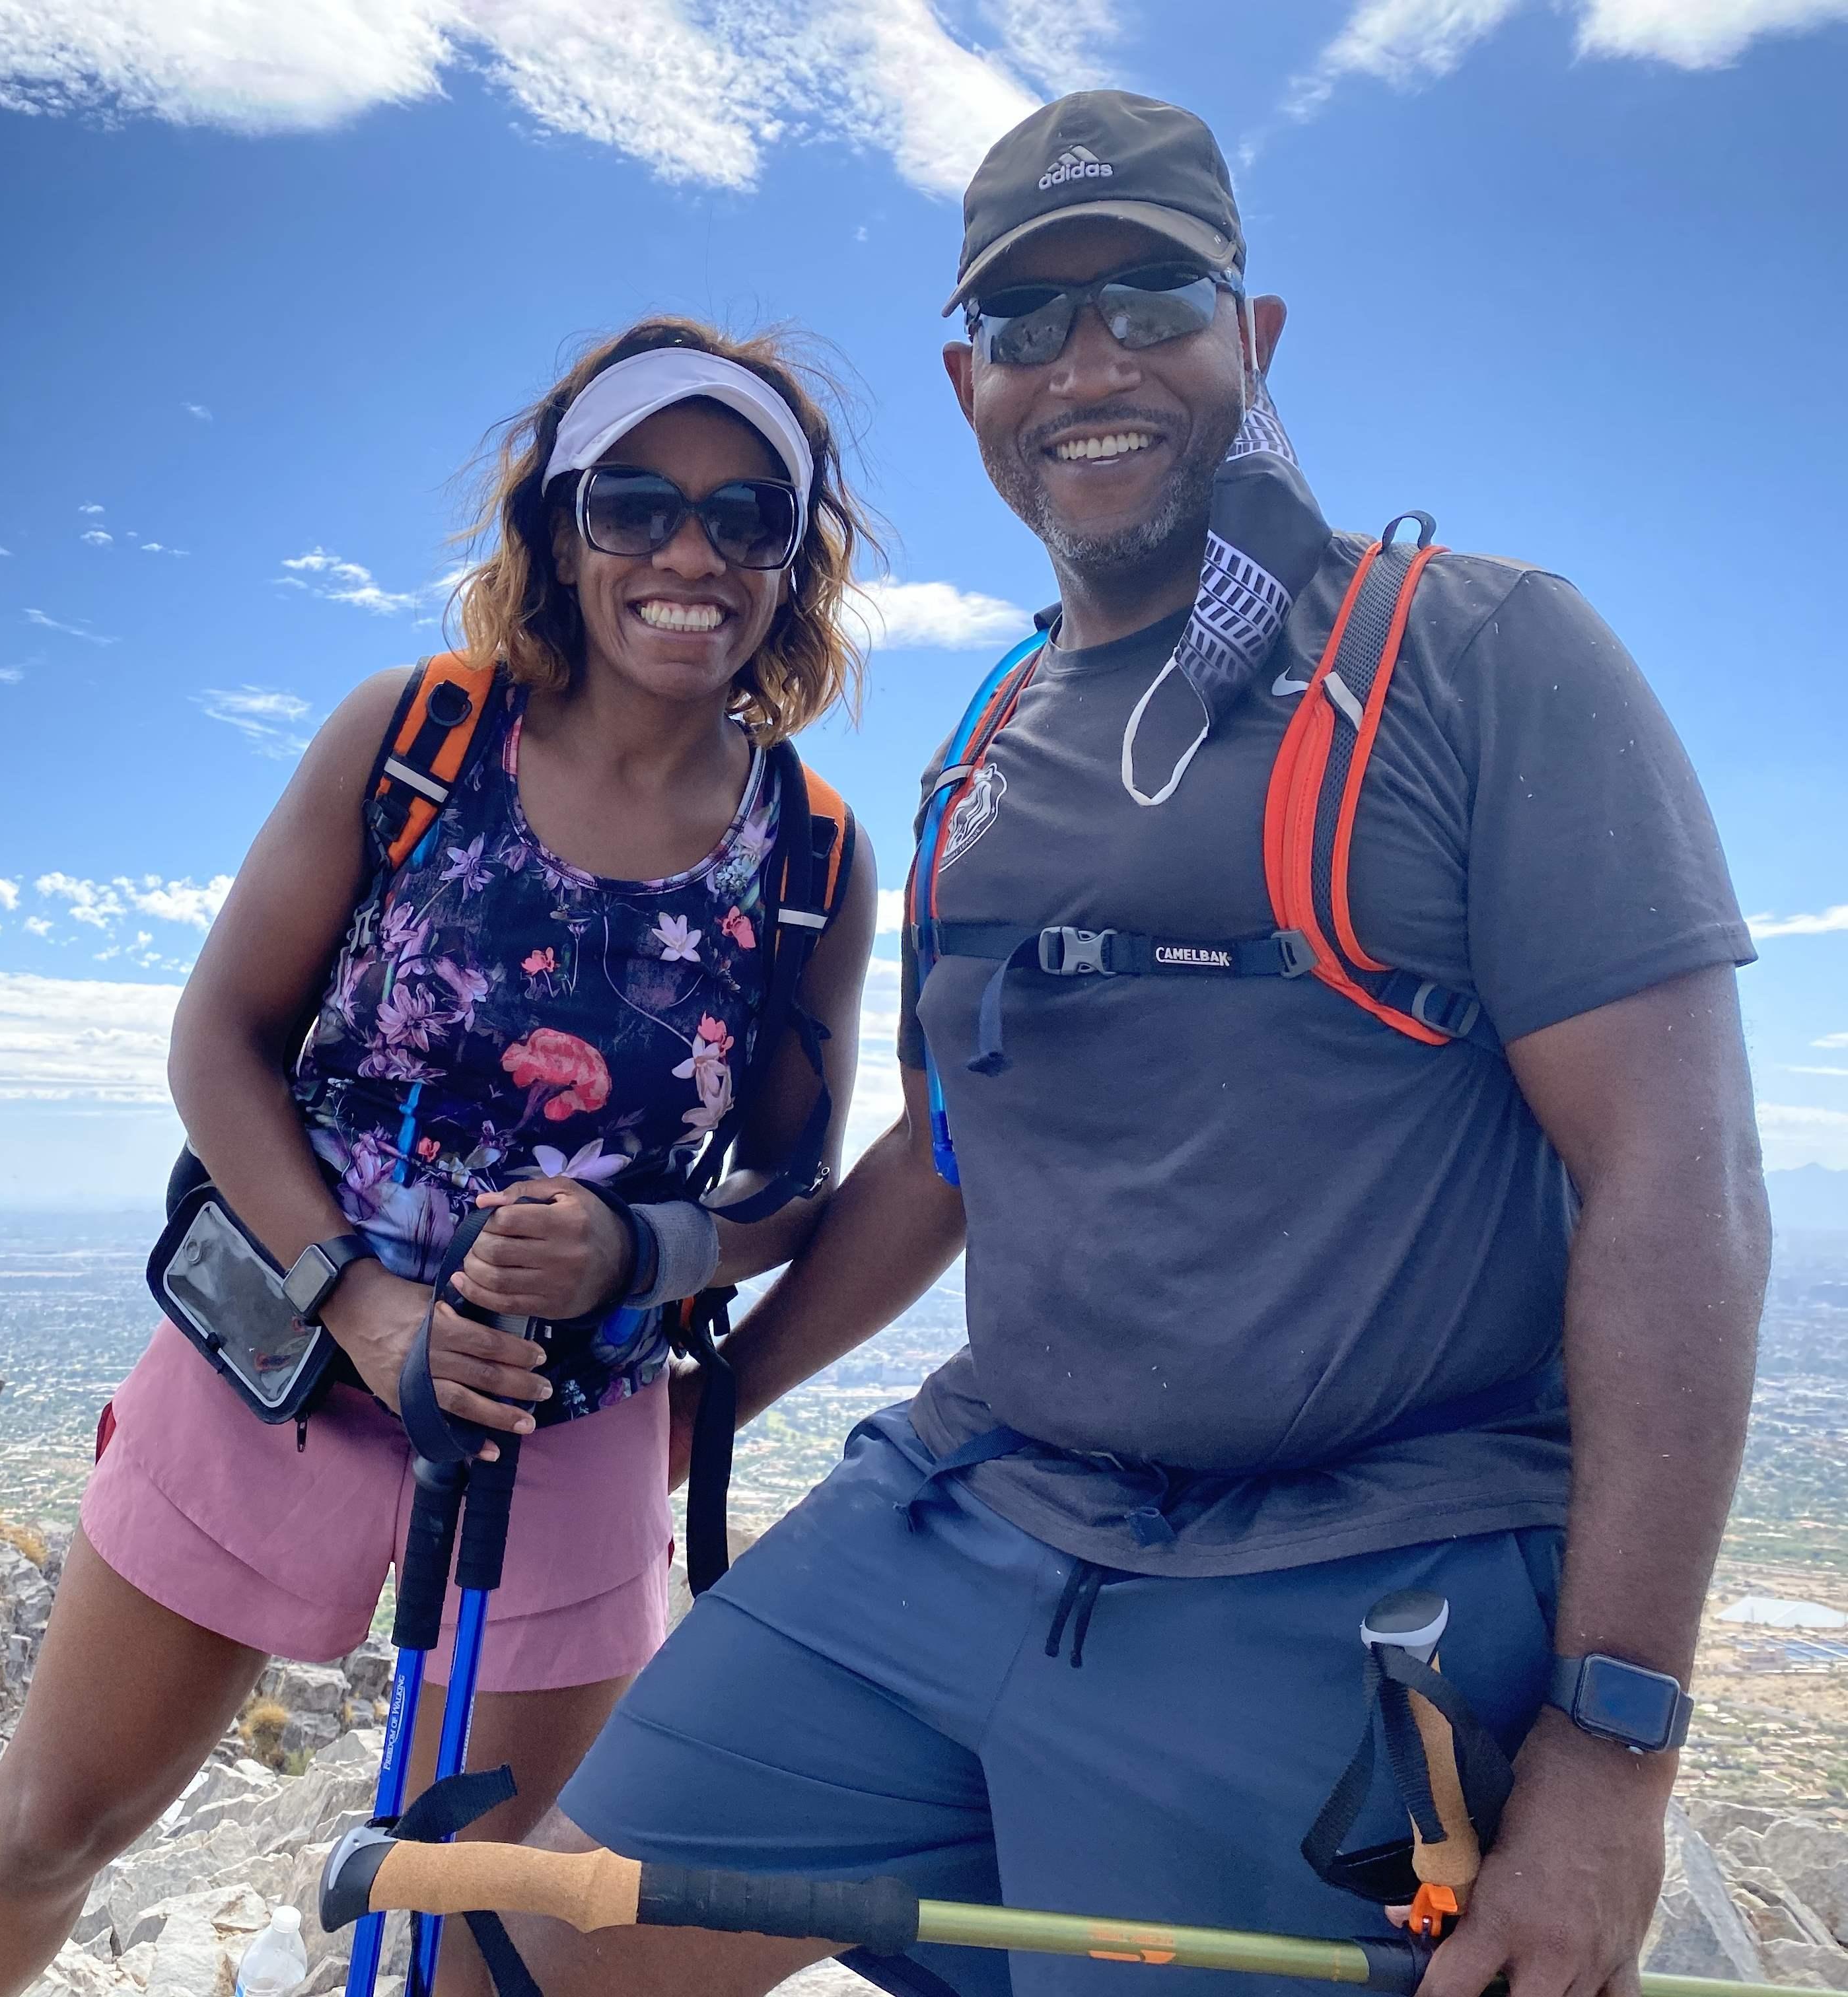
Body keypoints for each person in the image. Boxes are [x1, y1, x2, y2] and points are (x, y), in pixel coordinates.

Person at [525, 92, 1771, 1997]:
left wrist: (1610, 1763)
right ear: (969, 385)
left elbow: (1677, 1186)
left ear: (1252, 337)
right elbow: (955, 1155)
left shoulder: (1478, 661)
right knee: (505, 1951)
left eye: (1152, 297)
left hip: (1341, 1583)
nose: (1088, 362)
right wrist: (722, 1402)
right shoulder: (990, 739)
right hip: (962, 1521)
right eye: (1029, 324)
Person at [0, 316, 879, 1997]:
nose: (689, 552)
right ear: (560, 532)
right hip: (278, 1360)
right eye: (634, 501)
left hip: (561, 1433)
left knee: (490, 1936)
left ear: (797, 563)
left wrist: (643, 1253)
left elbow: (790, 1184)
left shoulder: (812, 857)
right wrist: (360, 1302)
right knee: (54, 1824)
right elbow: (218, 1042)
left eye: (747, 516)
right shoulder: (419, 739)